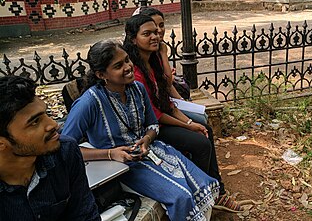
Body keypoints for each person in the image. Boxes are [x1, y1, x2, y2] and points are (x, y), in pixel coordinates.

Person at [61, 41, 219, 220]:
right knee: (181, 196)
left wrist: (147, 139)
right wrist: (111, 154)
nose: (128, 67)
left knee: (203, 182)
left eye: (127, 60)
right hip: (121, 168)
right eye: (118, 65)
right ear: (101, 74)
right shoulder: (89, 103)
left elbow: (153, 125)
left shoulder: (137, 88)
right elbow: (66, 148)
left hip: (151, 152)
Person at [122, 14, 244, 212]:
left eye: (156, 31)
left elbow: (167, 101)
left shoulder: (151, 61)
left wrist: (189, 121)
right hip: (150, 128)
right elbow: (155, 115)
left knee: (204, 129)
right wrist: (187, 125)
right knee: (200, 143)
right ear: (133, 39)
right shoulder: (135, 72)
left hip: (162, 117)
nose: (155, 36)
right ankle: (204, 194)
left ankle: (216, 190)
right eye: (147, 33)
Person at [0, 76, 100, 221]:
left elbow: (86, 216)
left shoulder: (65, 152)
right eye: (34, 122)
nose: (54, 124)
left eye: (45, 113)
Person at [139, 7, 207, 124]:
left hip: (168, 102)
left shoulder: (159, 50)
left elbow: (168, 83)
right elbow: (167, 82)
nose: (159, 31)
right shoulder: (146, 55)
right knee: (200, 121)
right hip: (157, 111)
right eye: (154, 28)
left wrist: (184, 102)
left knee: (203, 117)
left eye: (161, 25)